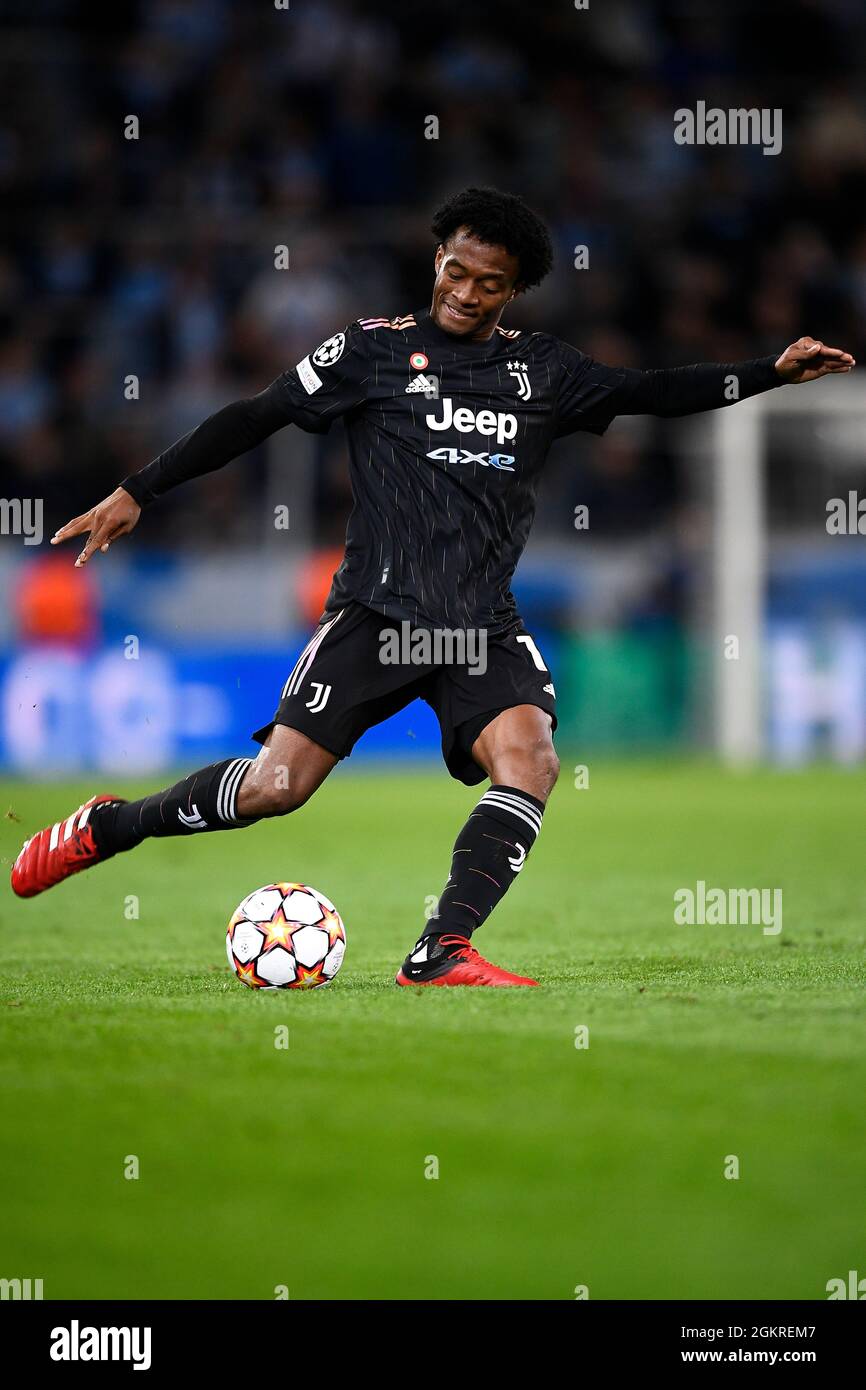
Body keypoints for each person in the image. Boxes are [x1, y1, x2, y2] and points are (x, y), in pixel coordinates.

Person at [11, 187, 855, 987]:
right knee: (276, 788)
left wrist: (768, 372)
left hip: (479, 622)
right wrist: (136, 492)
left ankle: (441, 948)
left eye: (491, 283)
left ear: (514, 290)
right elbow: (254, 415)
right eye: (456, 270)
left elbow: (654, 393)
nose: (467, 293)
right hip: (375, 611)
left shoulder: (543, 373)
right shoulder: (368, 349)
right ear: (438, 259)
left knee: (532, 761)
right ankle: (109, 825)